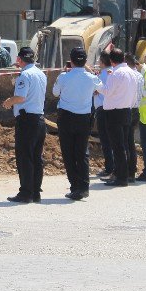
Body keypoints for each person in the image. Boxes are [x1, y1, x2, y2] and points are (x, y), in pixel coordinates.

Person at [52, 47, 102, 200]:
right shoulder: (92, 78)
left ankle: (75, 186)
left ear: (71, 61)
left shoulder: (63, 77)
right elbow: (102, 89)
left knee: (68, 153)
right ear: (85, 61)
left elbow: (55, 93)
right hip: (84, 118)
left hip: (66, 117)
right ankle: (84, 187)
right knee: (82, 153)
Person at [2, 46, 47, 203]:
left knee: (24, 157)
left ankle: (26, 192)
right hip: (39, 119)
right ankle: (35, 191)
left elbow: (20, 97)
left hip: (27, 121)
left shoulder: (25, 75)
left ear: (19, 59)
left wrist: (9, 102)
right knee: (36, 157)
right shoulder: (41, 74)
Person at [100, 48, 137, 187]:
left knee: (117, 146)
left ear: (111, 61)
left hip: (114, 113)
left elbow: (107, 92)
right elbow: (133, 94)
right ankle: (125, 174)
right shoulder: (131, 73)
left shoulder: (116, 74)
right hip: (127, 110)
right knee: (125, 145)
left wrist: (97, 84)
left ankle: (120, 178)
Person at [94, 52, 116, 176]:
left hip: (102, 109)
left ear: (102, 62)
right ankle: (113, 166)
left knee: (105, 140)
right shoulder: (113, 72)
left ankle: (109, 167)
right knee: (112, 139)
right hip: (112, 108)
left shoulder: (102, 75)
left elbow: (95, 90)